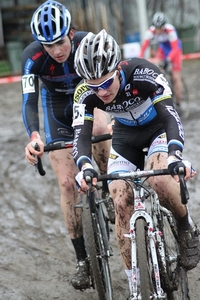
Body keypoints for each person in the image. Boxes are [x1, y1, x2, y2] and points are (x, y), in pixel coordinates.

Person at [72, 29, 200, 298]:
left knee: (160, 180)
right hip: (125, 136)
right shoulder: (85, 93)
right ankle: (136, 284)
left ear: (118, 69)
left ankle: (186, 225)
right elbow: (81, 136)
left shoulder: (144, 74)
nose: (101, 92)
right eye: (94, 87)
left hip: (158, 130)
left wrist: (175, 154)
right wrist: (84, 165)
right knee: (119, 200)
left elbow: (170, 116)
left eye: (106, 84)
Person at [21, 0, 111, 291]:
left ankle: (108, 187)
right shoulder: (31, 56)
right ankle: (83, 260)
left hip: (90, 101)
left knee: (100, 129)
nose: (57, 51)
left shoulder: (87, 43)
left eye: (60, 42)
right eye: (49, 46)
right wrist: (34, 135)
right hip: (57, 110)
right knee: (66, 184)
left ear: (71, 33)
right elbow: (28, 101)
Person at [139, 12, 183, 108]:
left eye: (160, 28)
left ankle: (179, 101)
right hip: (163, 49)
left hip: (174, 50)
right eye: (157, 28)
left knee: (176, 78)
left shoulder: (170, 30)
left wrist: (168, 59)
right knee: (157, 66)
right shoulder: (150, 32)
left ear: (164, 26)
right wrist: (140, 59)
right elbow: (143, 48)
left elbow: (175, 48)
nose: (158, 31)